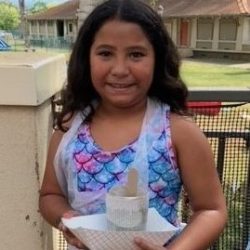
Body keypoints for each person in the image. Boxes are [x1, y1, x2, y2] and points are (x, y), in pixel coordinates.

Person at [39, 0, 227, 249]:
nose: (119, 69)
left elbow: (211, 210)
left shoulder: (179, 132)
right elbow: (50, 196)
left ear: (157, 59)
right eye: (105, 53)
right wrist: (67, 218)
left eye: (136, 54)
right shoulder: (70, 128)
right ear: (87, 58)